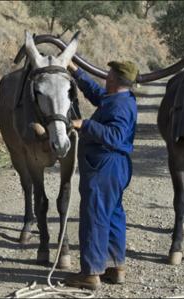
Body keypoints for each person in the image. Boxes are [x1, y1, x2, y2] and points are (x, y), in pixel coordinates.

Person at [64, 60, 138, 290]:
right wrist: (75, 70)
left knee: (95, 216)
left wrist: (84, 124)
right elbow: (98, 95)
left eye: (108, 75)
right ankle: (116, 267)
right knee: (113, 213)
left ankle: (90, 273)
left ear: (114, 80)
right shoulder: (121, 98)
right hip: (116, 168)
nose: (105, 77)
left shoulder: (120, 106)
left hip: (105, 167)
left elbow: (115, 135)